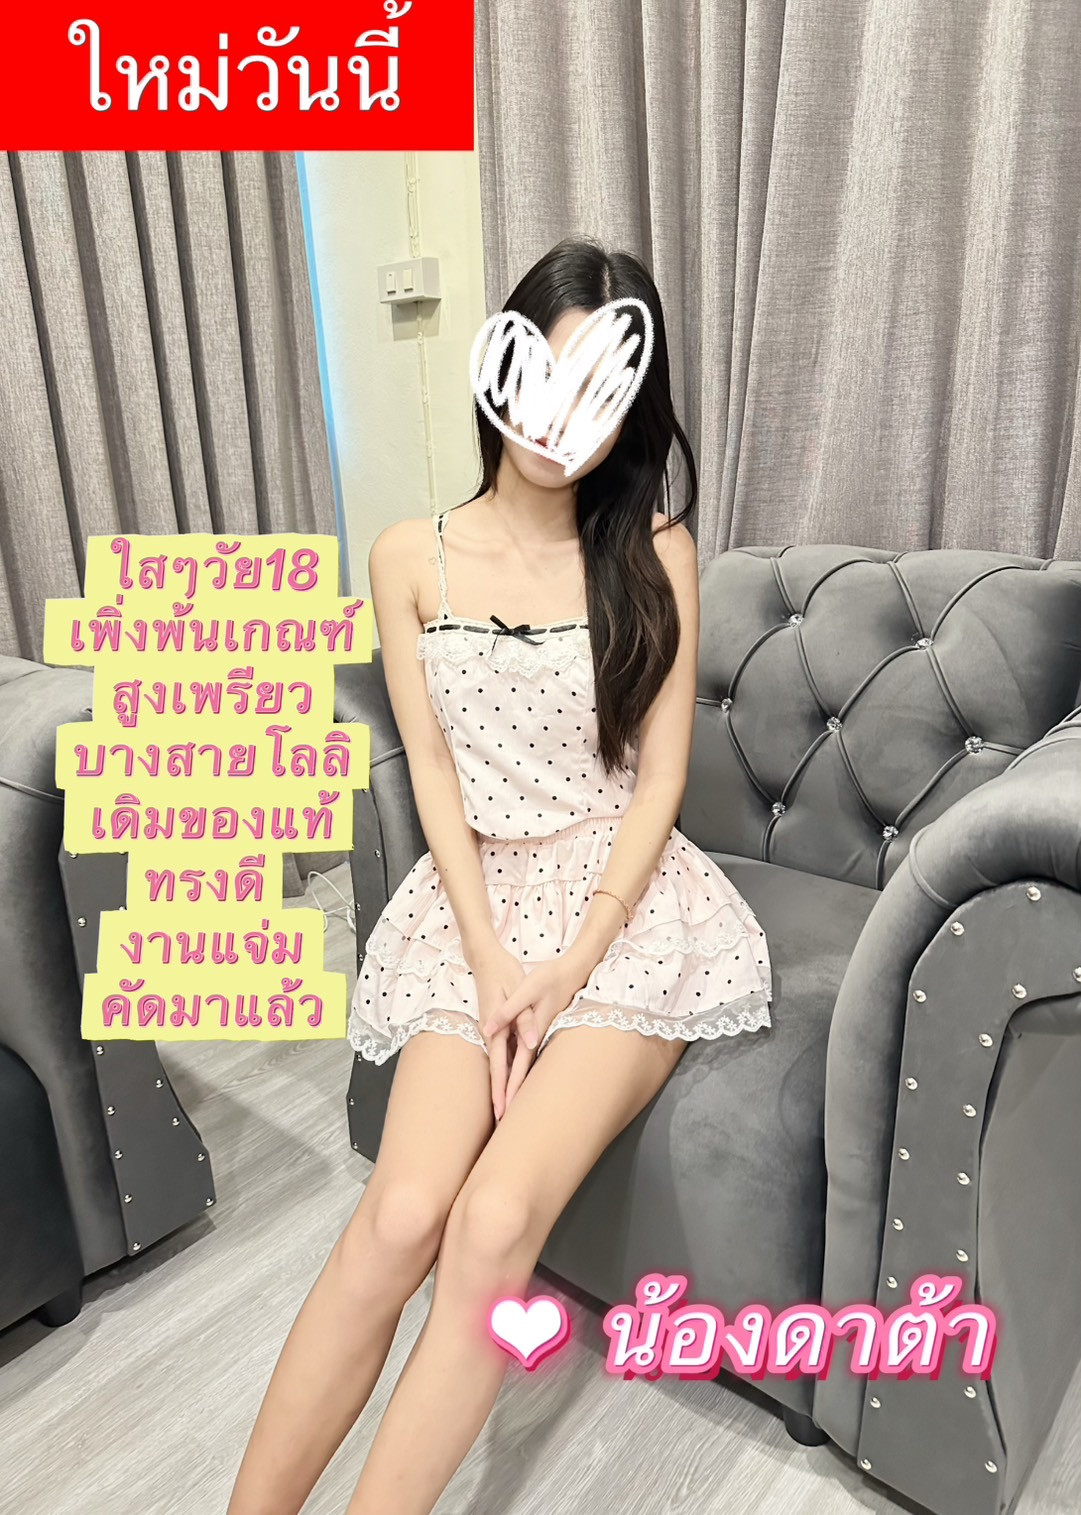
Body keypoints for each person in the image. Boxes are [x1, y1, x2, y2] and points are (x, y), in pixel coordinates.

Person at [227, 236, 773, 1515]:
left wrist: (569, 963)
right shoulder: (407, 558)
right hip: (473, 912)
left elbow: (658, 780)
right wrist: (489, 960)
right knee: (402, 1213)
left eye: (600, 392)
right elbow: (431, 773)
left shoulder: (656, 551)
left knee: (489, 1226)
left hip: (625, 916)